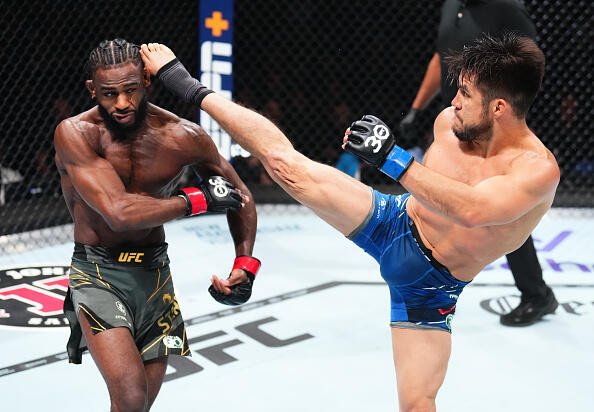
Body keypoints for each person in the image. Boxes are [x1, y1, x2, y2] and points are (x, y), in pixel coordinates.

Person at [141, 33, 559, 411]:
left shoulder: (536, 171)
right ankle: (189, 87)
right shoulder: (449, 125)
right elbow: (432, 188)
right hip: (393, 220)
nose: (454, 103)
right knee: (289, 168)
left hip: (432, 285)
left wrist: (393, 160)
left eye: (466, 94)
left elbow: (473, 210)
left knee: (417, 404)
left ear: (500, 107)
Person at [54, 39, 260, 411]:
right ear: (91, 90)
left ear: (147, 79)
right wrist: (195, 201)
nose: (121, 103)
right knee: (130, 397)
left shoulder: (183, 136)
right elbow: (116, 211)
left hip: (153, 274)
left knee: (141, 402)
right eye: (109, 94)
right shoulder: (76, 133)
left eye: (131, 90)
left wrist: (245, 264)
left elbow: (240, 194)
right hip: (97, 272)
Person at [399, 0, 558, 327]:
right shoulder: (451, 5)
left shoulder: (506, 7)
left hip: (493, 126)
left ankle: (536, 294)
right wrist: (417, 108)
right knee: (449, 200)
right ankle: (429, 278)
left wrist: (504, 122)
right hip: (457, 120)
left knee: (498, 210)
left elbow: (529, 68)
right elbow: (441, 59)